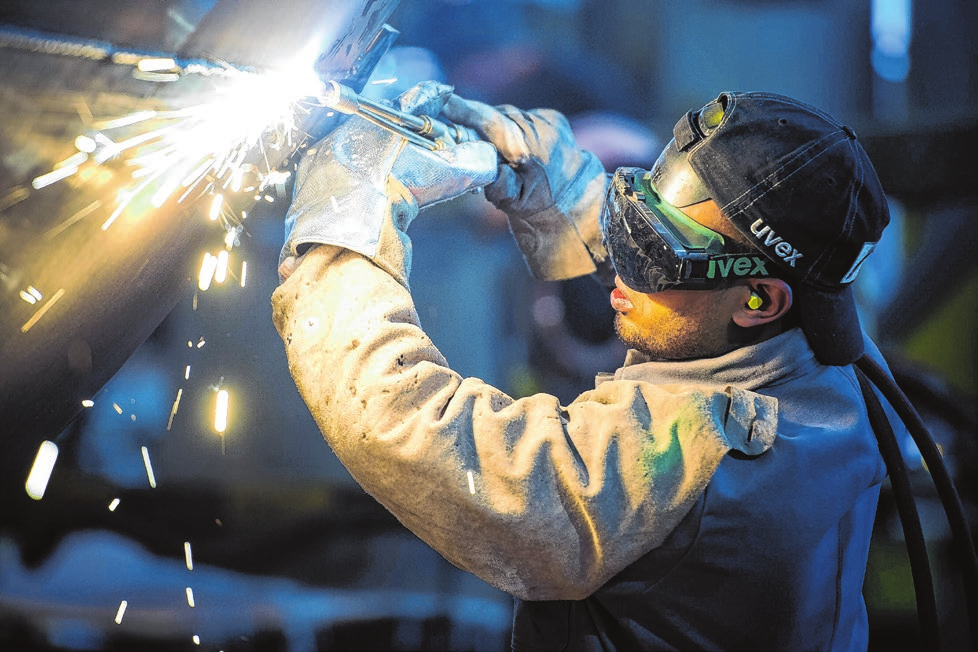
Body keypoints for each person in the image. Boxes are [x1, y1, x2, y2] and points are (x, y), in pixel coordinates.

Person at [272, 82, 893, 651]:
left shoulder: (696, 453)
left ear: (759, 299)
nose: (623, 268)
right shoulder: (827, 368)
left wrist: (338, 232)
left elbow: (417, 431)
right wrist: (558, 185)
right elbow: (693, 263)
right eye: (631, 218)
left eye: (650, 253)